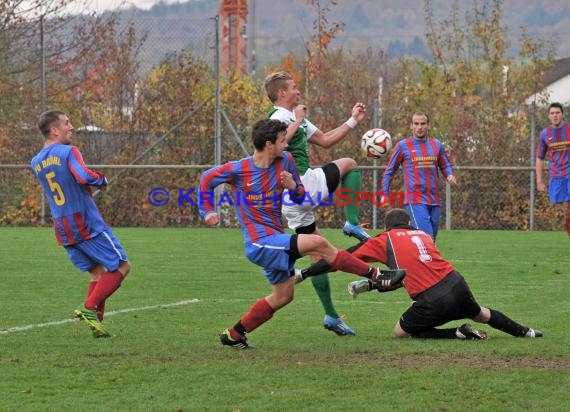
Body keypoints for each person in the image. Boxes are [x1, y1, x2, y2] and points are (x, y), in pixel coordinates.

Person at [198, 119, 398, 349]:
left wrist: (294, 187)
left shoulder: (287, 161)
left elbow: (300, 198)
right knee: (318, 243)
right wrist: (207, 211)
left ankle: (234, 335)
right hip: (259, 242)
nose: (287, 144)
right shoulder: (239, 169)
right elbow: (206, 179)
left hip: (275, 238)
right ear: (268, 143)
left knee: (284, 296)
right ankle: (376, 275)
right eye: (283, 140)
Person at [298, 208, 543, 340]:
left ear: (386, 227)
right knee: (483, 314)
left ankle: (455, 333)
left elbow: (341, 257)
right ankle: (527, 332)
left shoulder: (385, 240)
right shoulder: (423, 236)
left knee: (401, 332)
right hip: (457, 283)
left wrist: (307, 271)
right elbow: (409, 274)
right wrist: (372, 285)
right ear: (408, 223)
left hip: (433, 300)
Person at [264, 70, 369, 336]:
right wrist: (297, 120)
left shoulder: (293, 117)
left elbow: (325, 140)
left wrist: (353, 121)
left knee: (319, 253)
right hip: (302, 184)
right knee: (350, 165)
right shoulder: (280, 117)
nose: (298, 91)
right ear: (281, 94)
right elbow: (276, 145)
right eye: (293, 88)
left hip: (293, 199)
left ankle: (332, 316)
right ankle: (352, 222)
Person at [31, 110, 131, 338]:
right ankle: (89, 308)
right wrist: (101, 179)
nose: (72, 127)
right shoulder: (69, 152)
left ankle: (97, 326)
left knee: (97, 273)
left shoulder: (36, 161)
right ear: (54, 130)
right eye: (67, 123)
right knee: (122, 266)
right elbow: (83, 176)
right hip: (86, 222)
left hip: (62, 227)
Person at [381, 112, 456, 240]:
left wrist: (449, 175)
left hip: (434, 199)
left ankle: (415, 256)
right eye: (416, 124)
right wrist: (384, 194)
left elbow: (445, 165)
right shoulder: (403, 146)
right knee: (426, 237)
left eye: (423, 123)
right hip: (415, 199)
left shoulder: (436, 144)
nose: (419, 127)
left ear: (428, 126)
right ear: (411, 126)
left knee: (431, 240)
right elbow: (389, 171)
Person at [536, 102, 570, 238]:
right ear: (548, 116)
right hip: (557, 176)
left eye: (557, 113)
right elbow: (540, 158)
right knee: (567, 211)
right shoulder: (545, 134)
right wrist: (539, 181)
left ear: (562, 115)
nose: (555, 115)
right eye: (552, 113)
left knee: (568, 205)